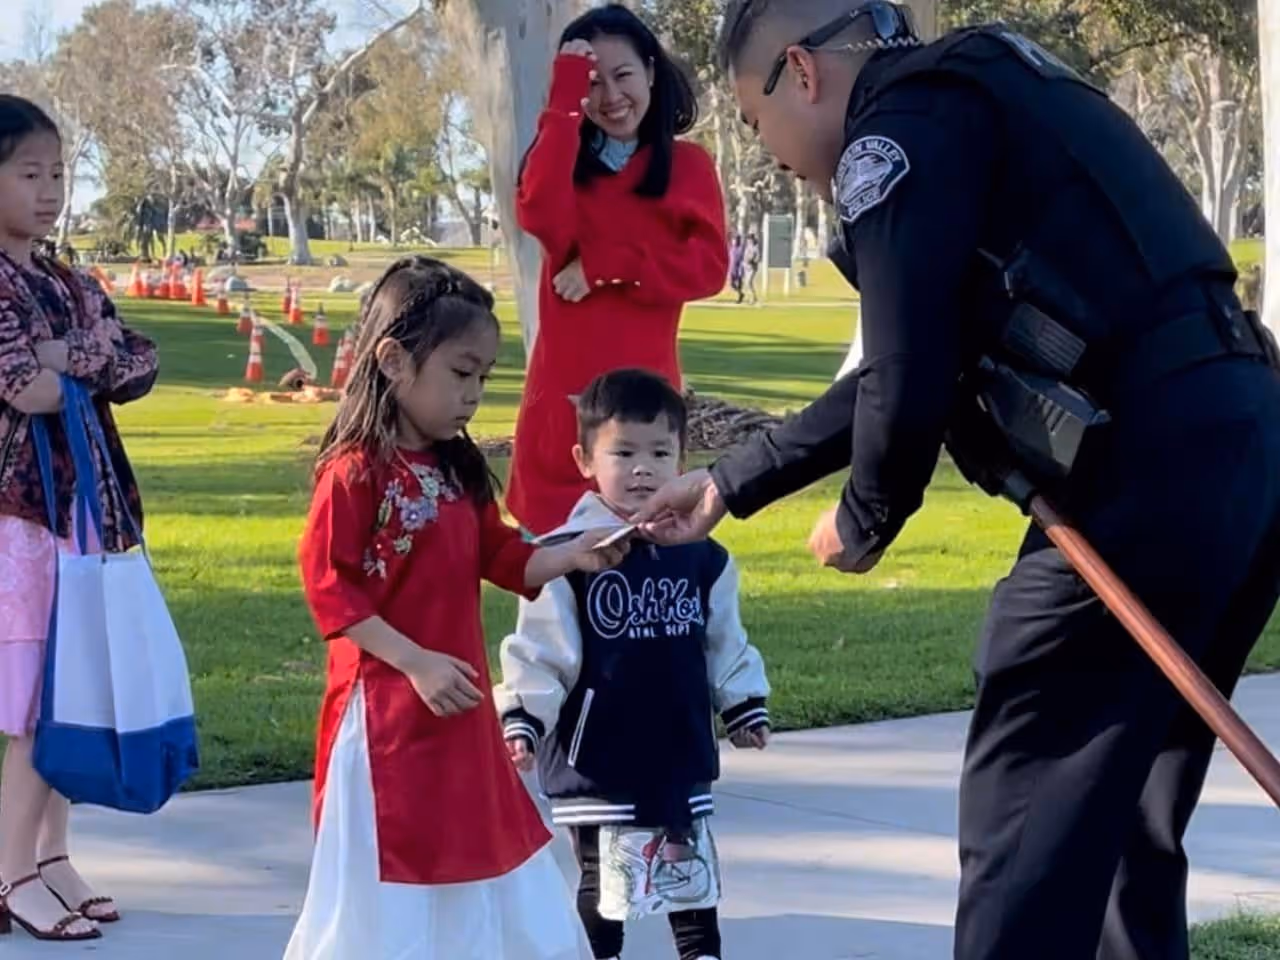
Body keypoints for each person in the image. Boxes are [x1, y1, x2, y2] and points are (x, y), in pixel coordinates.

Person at [632, 4, 1280, 960]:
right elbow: (928, 344)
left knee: (1028, 798)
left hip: (1145, 464)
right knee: (1116, 812)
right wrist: (730, 482)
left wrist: (867, 514)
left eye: (752, 119)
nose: (766, 154)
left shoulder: (890, 137)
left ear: (801, 73)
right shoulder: (988, 84)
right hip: (1244, 434)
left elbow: (909, 369)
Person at [285, 256, 633, 960]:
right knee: (397, 870)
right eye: (460, 372)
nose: (474, 394)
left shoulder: (455, 467)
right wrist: (414, 664)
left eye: (485, 377)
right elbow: (331, 586)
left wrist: (572, 553)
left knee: (480, 855)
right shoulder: (355, 472)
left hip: (459, 711)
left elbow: (502, 554)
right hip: (385, 721)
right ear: (393, 359)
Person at [495, 368, 771, 960]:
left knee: (691, 877)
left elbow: (724, 641)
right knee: (605, 886)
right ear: (585, 458)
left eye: (658, 452)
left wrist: (743, 703)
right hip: (599, 757)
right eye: (623, 452)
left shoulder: (705, 559)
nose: (642, 467)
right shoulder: (568, 556)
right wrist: (523, 718)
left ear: (683, 458)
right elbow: (541, 652)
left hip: (677, 749)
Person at [0, 94, 158, 942]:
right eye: (30, 173)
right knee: (33, 708)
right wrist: (77, 359)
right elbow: (22, 384)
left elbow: (141, 360)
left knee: (73, 693)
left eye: (58, 173)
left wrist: (72, 356)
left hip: (86, 514)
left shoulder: (63, 278)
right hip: (20, 517)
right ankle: (10, 872)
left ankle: (52, 856)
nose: (50, 190)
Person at [508, 3, 730, 536]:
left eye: (623, 75)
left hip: (645, 416)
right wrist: (563, 104)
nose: (610, 97)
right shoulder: (559, 168)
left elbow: (708, 267)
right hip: (562, 408)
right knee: (553, 588)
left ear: (651, 72)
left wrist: (608, 266)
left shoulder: (688, 167)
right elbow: (537, 214)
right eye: (590, 83)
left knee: (644, 564)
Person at [742, 234, 760, 305]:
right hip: (747, 267)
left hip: (753, 268)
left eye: (750, 239)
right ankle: (753, 298)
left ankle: (753, 299)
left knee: (749, 282)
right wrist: (744, 262)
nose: (749, 240)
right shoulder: (747, 247)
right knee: (748, 283)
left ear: (753, 239)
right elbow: (745, 256)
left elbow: (758, 258)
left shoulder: (755, 248)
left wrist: (752, 260)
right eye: (748, 239)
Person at [728, 234, 746, 304]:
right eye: (734, 240)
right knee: (732, 284)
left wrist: (741, 269)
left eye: (736, 240)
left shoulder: (741, 249)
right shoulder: (732, 248)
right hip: (732, 269)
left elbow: (742, 259)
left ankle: (740, 298)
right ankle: (741, 293)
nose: (734, 241)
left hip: (739, 269)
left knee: (739, 284)